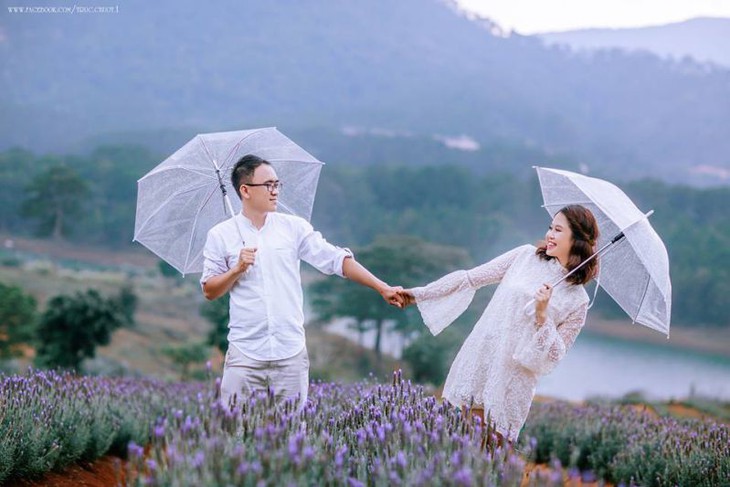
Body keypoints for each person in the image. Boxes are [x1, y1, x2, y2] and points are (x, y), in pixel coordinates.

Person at [201, 154, 404, 410]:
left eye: (277, 184)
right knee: (237, 429)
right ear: (245, 190)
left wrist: (382, 287)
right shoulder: (220, 235)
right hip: (245, 355)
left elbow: (336, 260)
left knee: (292, 431)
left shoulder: (293, 228)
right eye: (268, 185)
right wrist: (236, 270)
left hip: (290, 353)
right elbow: (209, 290)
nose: (275, 191)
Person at [399, 205, 599, 445]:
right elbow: (470, 278)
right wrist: (419, 294)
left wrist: (542, 315)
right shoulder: (524, 256)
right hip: (483, 359)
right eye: (550, 227)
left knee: (491, 455)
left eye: (558, 230)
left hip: (513, 381)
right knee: (457, 445)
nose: (549, 234)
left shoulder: (578, 301)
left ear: (576, 239)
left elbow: (556, 354)